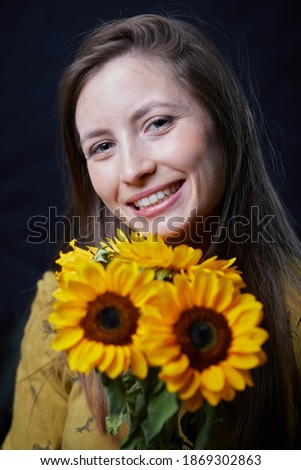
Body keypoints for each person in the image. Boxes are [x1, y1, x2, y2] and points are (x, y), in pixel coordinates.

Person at [3, 13, 301, 450]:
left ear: (223, 121)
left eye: (158, 123)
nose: (134, 169)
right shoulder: (64, 307)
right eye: (102, 146)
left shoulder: (293, 307)